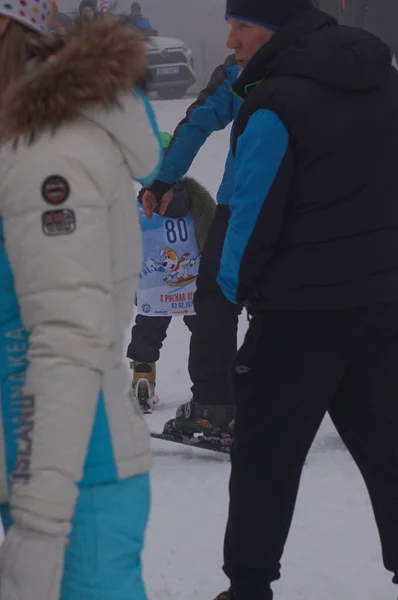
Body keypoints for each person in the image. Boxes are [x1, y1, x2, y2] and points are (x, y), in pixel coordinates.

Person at [212, 0, 398, 599]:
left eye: (242, 26)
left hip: (297, 320)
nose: (233, 41)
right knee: (390, 450)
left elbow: (250, 213)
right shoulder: (384, 79)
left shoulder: (275, 102)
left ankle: (247, 588)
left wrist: (228, 293)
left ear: (275, 29)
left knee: (266, 459)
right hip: (381, 304)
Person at [0, 11, 162, 600]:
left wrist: (41, 524)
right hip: (36, 471)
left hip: (77, 489)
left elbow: (67, 336)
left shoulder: (50, 154)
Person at [143, 55, 242, 439]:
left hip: (248, 203)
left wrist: (163, 180)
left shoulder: (242, 70)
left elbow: (200, 119)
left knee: (216, 298)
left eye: (241, 25)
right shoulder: (353, 65)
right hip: (334, 208)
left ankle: (214, 410)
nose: (231, 39)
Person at [127, 132, 216, 413]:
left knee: (148, 331)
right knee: (206, 331)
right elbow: (213, 231)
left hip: (154, 285)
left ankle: (143, 376)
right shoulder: (196, 199)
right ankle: (212, 383)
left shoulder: (136, 209)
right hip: (194, 282)